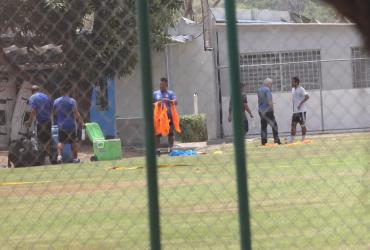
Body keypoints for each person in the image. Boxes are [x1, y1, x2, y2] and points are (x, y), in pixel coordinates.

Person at [53, 82, 84, 163]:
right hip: (71, 125)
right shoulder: (72, 101)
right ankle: (75, 159)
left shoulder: (56, 101)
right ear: (68, 91)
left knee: (61, 141)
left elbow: (55, 113)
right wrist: (82, 123)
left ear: (61, 92)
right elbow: (76, 113)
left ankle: (59, 157)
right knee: (73, 142)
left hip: (61, 125)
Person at [25, 85, 53, 162]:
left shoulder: (32, 97)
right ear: (39, 90)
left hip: (40, 122)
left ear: (32, 91)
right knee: (47, 140)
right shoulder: (46, 96)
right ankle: (48, 158)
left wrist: (29, 121)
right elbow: (51, 108)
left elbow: (33, 110)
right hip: (48, 120)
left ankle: (41, 158)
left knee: (40, 140)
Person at [153, 77, 177, 155]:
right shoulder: (155, 93)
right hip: (159, 117)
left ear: (166, 85)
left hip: (169, 117)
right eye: (160, 84)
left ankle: (170, 149)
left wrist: (168, 101)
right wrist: (157, 104)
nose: (161, 86)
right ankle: (158, 150)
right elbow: (151, 104)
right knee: (158, 134)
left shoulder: (171, 93)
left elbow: (175, 102)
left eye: (163, 84)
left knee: (170, 133)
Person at [257, 78, 281, 145]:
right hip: (268, 110)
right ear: (268, 84)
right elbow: (269, 100)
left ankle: (264, 141)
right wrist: (272, 109)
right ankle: (276, 140)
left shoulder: (259, 90)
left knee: (263, 126)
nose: (271, 86)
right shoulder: (267, 90)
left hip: (261, 110)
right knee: (274, 125)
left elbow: (260, 100)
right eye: (271, 84)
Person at [289, 77, 309, 143]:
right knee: (293, 125)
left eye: (292, 82)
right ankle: (292, 140)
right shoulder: (293, 89)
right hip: (295, 112)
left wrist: (300, 104)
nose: (291, 83)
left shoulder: (301, 89)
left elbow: (307, 97)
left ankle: (303, 140)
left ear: (296, 82)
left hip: (301, 111)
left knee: (302, 125)